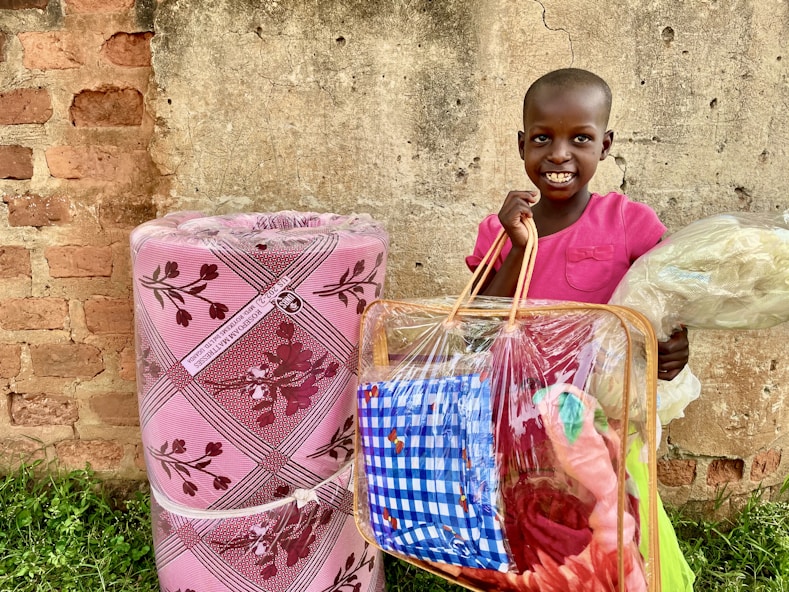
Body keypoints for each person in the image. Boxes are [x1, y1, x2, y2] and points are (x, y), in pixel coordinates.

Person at [466, 67, 695, 591]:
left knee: (616, 525)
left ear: (606, 145)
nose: (559, 154)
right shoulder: (498, 229)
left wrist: (673, 346)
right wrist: (518, 247)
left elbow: (662, 303)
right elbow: (477, 331)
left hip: (607, 418)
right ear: (522, 144)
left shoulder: (629, 222)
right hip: (519, 413)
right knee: (539, 526)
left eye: (581, 138)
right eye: (542, 138)